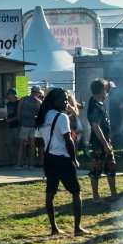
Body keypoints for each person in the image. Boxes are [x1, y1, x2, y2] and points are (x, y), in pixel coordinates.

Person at [36, 88, 87, 236]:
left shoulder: (42, 117)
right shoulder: (61, 117)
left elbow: (37, 140)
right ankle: (77, 228)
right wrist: (74, 159)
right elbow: (68, 140)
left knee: (50, 193)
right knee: (76, 192)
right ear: (54, 101)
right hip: (63, 158)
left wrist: (48, 146)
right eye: (64, 99)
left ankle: (54, 228)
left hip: (49, 158)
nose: (66, 102)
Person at [85, 79, 118, 202]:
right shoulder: (94, 105)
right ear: (100, 91)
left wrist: (109, 85)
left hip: (106, 142)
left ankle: (114, 194)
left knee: (111, 168)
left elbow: (106, 91)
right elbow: (96, 126)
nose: (107, 92)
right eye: (105, 89)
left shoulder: (100, 101)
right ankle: (96, 197)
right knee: (96, 170)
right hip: (99, 143)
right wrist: (105, 144)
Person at [16, 87, 42, 168]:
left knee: (21, 145)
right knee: (32, 145)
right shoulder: (38, 102)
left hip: (24, 125)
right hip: (33, 126)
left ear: (31, 91)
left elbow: (18, 113)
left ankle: (19, 164)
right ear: (37, 93)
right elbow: (41, 114)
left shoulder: (22, 99)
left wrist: (20, 121)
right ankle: (31, 164)